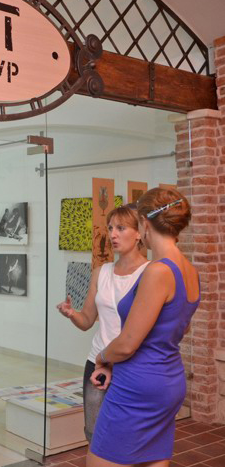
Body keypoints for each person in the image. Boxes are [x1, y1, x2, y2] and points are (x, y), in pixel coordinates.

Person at [87, 188, 198, 466]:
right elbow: (181, 329)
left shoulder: (157, 271)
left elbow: (127, 344)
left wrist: (102, 358)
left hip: (138, 386)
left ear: (145, 224)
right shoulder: (189, 270)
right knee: (152, 459)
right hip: (170, 381)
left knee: (98, 460)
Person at [57, 204, 148, 442]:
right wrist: (71, 313)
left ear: (139, 233)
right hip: (97, 361)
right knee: (94, 434)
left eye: (121, 228)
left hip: (132, 364)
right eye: (110, 228)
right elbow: (87, 321)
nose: (113, 234)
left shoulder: (150, 273)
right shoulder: (101, 272)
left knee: (130, 437)